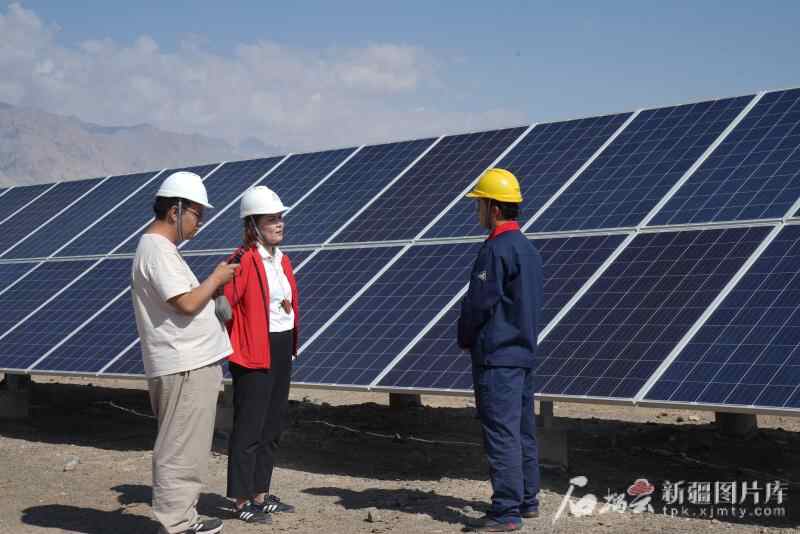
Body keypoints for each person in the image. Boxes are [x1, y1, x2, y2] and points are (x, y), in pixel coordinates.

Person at [131, 171, 237, 534]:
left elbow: (186, 301)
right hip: (184, 365)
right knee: (180, 447)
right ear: (175, 211)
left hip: (188, 363)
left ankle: (182, 519)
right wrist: (217, 279)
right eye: (196, 215)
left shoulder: (161, 251)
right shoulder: (157, 250)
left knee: (186, 446)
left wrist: (212, 295)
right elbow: (187, 303)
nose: (199, 223)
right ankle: (177, 524)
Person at [457, 168, 544, 532]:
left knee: (502, 433)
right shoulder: (528, 249)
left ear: (493, 208)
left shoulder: (496, 250)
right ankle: (527, 500)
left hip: (497, 359)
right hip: (522, 355)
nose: (476, 210)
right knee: (522, 430)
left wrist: (465, 336)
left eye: (479, 204)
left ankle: (506, 511)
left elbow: (479, 303)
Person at [223, 185, 299, 524]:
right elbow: (223, 304)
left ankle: (260, 493)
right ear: (253, 224)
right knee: (249, 427)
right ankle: (241, 501)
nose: (279, 223)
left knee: (272, 423)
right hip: (254, 350)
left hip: (281, 346)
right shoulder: (242, 261)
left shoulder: (283, 260)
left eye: (280, 217)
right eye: (271, 219)